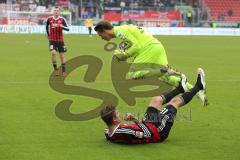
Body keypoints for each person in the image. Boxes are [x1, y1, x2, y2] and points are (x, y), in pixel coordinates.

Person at [94, 21, 208, 106]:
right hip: (156, 47)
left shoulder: (119, 31)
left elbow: (137, 47)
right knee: (167, 79)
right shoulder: (123, 29)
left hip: (149, 49)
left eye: (100, 35)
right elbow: (135, 44)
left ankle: (164, 70)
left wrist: (124, 55)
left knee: (132, 74)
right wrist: (125, 52)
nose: (101, 38)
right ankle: (198, 91)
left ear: (103, 30)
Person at [100, 68, 206, 144]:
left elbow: (112, 135)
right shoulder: (125, 132)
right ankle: (199, 86)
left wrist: (139, 122)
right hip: (157, 131)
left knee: (156, 100)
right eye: (117, 114)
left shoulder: (108, 131)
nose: (119, 114)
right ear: (114, 120)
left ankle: (180, 88)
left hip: (148, 124)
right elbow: (147, 134)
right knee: (174, 103)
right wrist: (135, 119)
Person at [46, 6, 69, 77]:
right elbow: (46, 27)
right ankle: (56, 70)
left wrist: (62, 26)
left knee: (61, 56)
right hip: (52, 40)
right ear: (53, 11)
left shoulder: (62, 19)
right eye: (55, 10)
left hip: (60, 40)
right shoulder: (49, 19)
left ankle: (64, 71)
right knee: (53, 53)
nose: (56, 12)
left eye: (57, 11)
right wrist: (48, 35)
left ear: (59, 12)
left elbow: (68, 28)